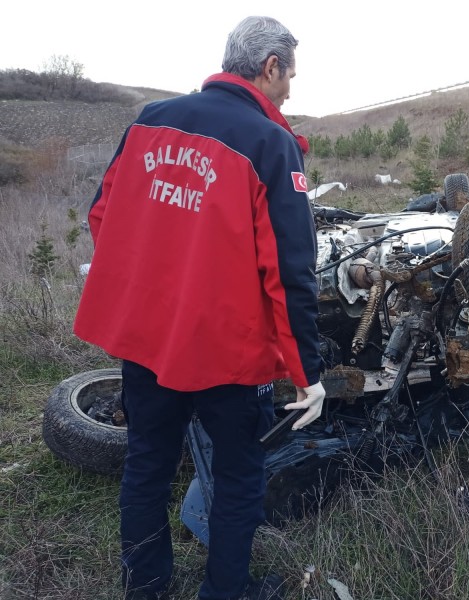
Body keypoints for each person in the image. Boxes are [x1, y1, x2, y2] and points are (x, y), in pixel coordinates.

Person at [73, 16, 326, 600]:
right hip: (228, 355)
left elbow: (102, 216)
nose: (290, 90)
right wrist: (307, 373)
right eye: (290, 76)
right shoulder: (270, 144)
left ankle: (145, 588)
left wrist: (153, 287)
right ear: (270, 67)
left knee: (147, 466)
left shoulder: (151, 120)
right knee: (239, 477)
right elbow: (290, 273)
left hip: (149, 342)